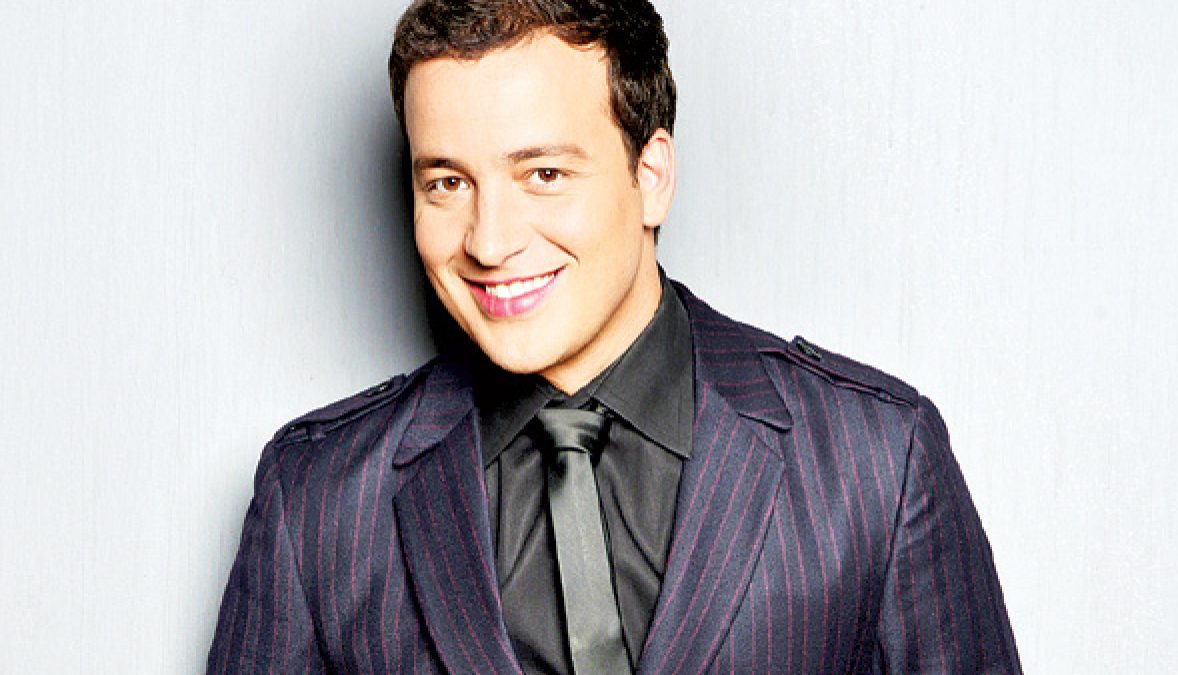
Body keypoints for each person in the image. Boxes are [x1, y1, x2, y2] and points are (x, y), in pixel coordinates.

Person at [208, 0, 1021, 672]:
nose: (490, 240)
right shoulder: (317, 499)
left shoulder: (875, 461)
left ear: (651, 176)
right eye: (448, 182)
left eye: (544, 174)